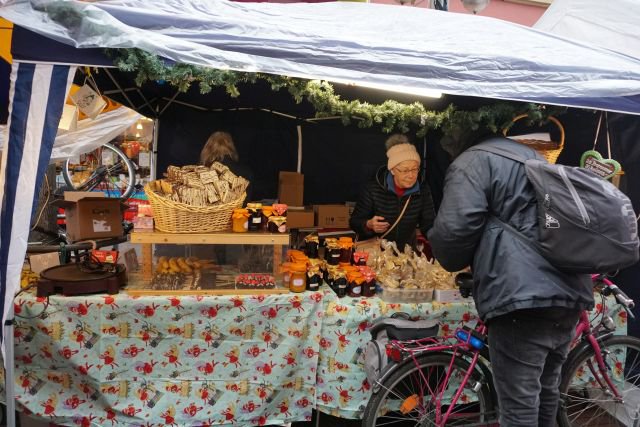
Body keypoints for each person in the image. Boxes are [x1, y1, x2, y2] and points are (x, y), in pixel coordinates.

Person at [428, 136, 595, 426]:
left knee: (519, 408)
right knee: (545, 395)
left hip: (521, 300)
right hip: (569, 293)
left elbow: (453, 231)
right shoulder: (537, 161)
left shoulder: (473, 161)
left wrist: (452, 258)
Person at [349, 134, 435, 250]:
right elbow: (354, 222)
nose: (411, 175)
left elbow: (429, 224)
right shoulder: (373, 189)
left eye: (415, 169)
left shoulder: (422, 190)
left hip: (406, 254)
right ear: (393, 170)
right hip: (377, 253)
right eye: (405, 170)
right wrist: (369, 224)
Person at [200, 131, 254, 201]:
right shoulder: (246, 173)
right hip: (240, 211)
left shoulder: (201, 174)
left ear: (207, 149)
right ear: (231, 147)